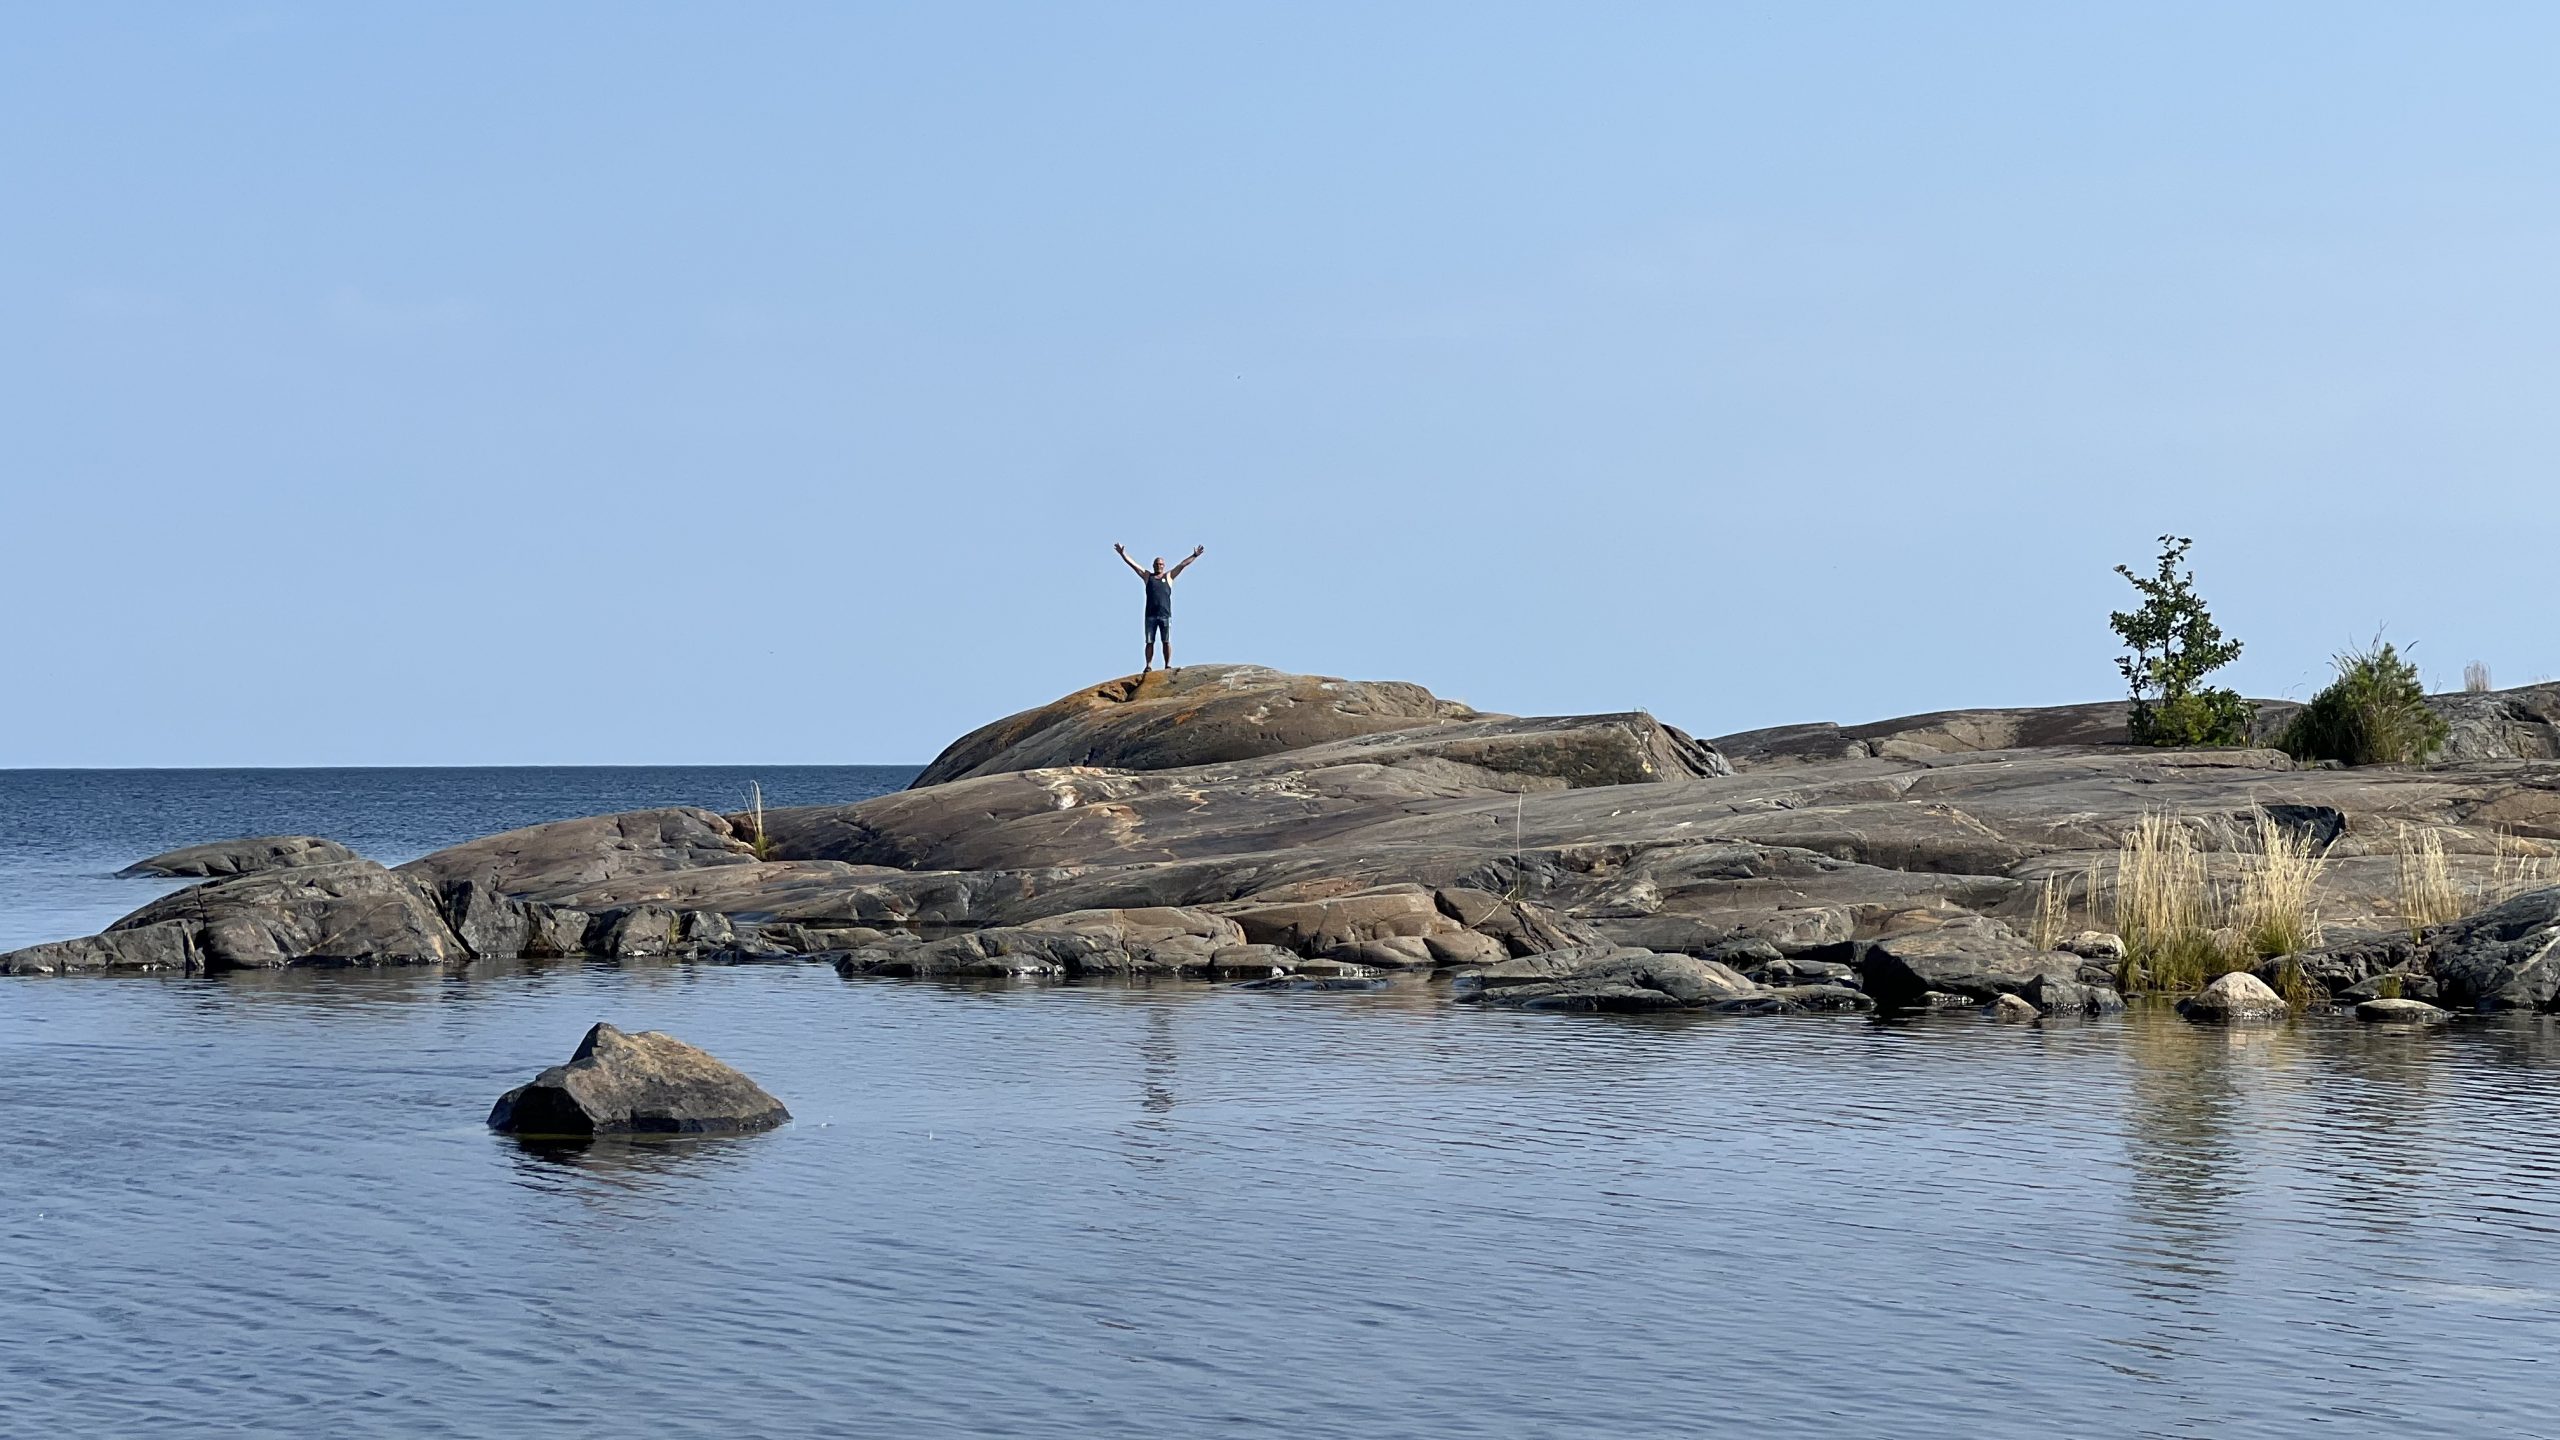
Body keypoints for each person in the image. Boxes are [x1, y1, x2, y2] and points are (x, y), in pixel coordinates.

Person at [1114, 542, 1204, 672]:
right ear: (1153, 565)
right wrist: (1123, 554)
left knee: (1166, 641)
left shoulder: (1169, 576)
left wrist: (1194, 555)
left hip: (1165, 615)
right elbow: (1133, 565)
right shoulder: (1148, 577)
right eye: (1157, 564)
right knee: (1149, 642)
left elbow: (1182, 565)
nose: (1159, 566)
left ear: (1164, 566)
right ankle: (1148, 665)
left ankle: (1167, 665)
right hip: (1150, 615)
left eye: (1161, 564)